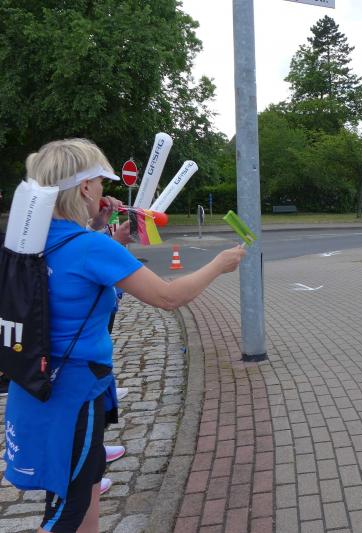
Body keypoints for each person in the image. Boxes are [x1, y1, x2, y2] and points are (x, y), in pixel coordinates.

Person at [2, 138, 246, 533]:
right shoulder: (89, 247)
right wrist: (219, 264)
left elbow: (70, 283)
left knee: (79, 487)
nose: (105, 190)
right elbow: (167, 297)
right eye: (100, 181)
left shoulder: (33, 239)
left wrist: (106, 235)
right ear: (85, 188)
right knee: (69, 509)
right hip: (74, 393)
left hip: (36, 382)